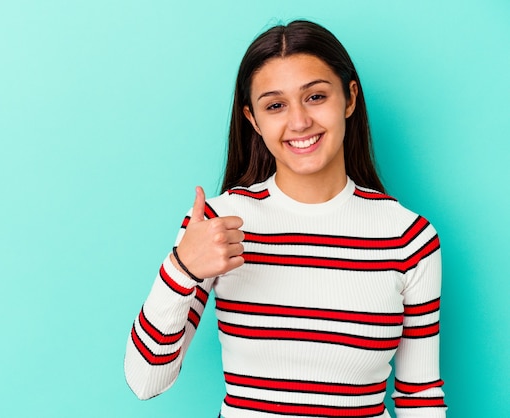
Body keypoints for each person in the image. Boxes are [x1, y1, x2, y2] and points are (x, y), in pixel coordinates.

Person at [124, 20, 446, 418]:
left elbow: (420, 395)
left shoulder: (409, 238)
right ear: (254, 120)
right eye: (275, 105)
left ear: (349, 98)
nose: (298, 122)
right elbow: (145, 380)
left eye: (315, 96)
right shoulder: (219, 223)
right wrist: (181, 269)